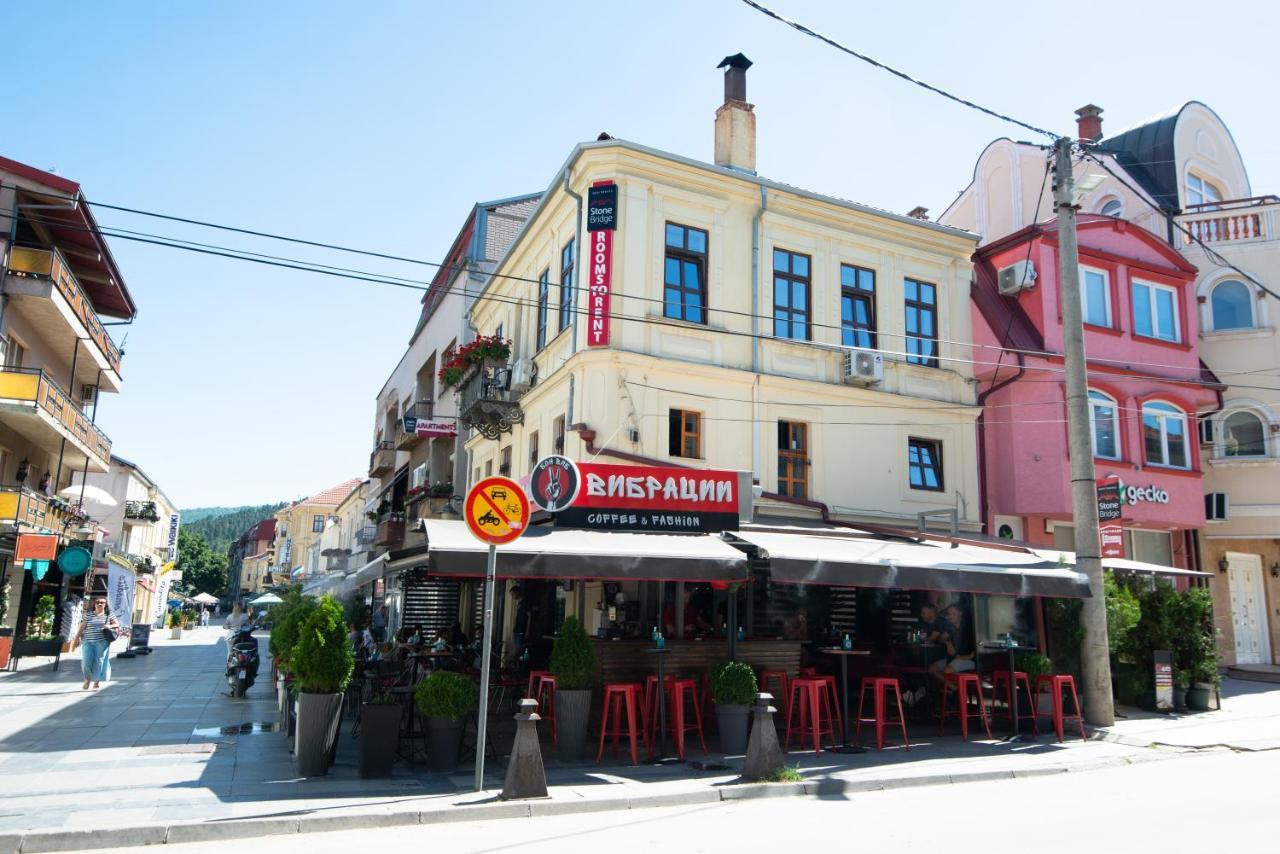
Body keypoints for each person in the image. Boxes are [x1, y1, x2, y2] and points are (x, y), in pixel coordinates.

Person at [75, 596, 119, 691]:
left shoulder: (109, 615)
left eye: (102, 602)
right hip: (88, 641)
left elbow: (117, 624)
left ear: (105, 604)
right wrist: (77, 638)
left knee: (99, 662)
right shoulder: (88, 615)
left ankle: (96, 681)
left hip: (102, 642)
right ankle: (87, 679)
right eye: (97, 602)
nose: (99, 604)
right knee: (86, 661)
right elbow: (82, 627)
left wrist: (109, 625)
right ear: (94, 604)